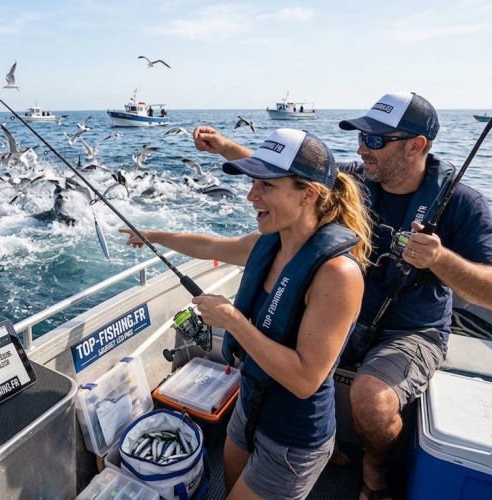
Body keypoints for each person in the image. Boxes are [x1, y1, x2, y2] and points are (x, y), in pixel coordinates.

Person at [193, 92, 492, 500]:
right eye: (361, 137)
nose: (362, 148)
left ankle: (375, 468)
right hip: (344, 313)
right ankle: (322, 442)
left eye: (375, 140)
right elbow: (291, 177)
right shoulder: (361, 176)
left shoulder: (463, 204)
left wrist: (440, 259)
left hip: (410, 331)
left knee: (371, 400)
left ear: (416, 146)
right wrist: (225, 147)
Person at [121, 128, 373, 500]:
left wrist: (233, 322)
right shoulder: (268, 243)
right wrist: (154, 236)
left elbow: (305, 380)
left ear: (309, 194)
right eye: (253, 183)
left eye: (266, 186)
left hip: (292, 437)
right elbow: (209, 245)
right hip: (248, 406)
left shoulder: (338, 274)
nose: (251, 195)